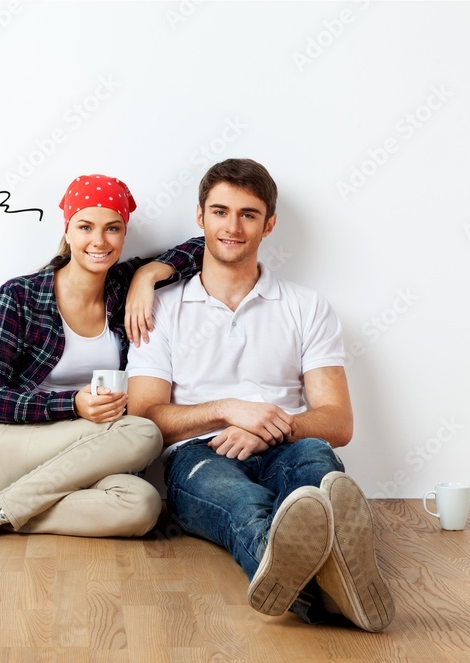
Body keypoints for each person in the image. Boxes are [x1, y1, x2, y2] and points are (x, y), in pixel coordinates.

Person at [126, 159, 395, 632]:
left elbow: (337, 422)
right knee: (245, 511)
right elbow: (144, 415)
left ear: (269, 224)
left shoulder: (307, 307)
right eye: (220, 212)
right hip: (198, 456)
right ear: (200, 217)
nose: (232, 226)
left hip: (290, 444)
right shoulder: (160, 309)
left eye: (248, 214)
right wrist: (228, 411)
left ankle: (322, 584)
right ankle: (332, 591)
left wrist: (268, 428)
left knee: (317, 475)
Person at [0, 174, 204, 549]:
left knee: (142, 504)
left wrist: (148, 274)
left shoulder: (121, 289)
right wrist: (72, 403)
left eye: (113, 229)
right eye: (86, 226)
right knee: (142, 431)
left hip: (79, 459)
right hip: (1, 446)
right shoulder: (21, 295)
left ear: (124, 234)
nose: (99, 241)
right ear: (68, 230)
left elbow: (208, 246)